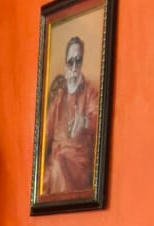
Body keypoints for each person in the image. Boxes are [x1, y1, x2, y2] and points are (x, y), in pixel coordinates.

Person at [42, 36, 99, 196]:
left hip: (78, 163)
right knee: (54, 168)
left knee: (58, 166)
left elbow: (98, 120)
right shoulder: (59, 96)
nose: (74, 68)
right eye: (70, 62)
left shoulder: (90, 92)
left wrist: (84, 122)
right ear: (65, 65)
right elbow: (46, 133)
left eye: (78, 61)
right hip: (56, 160)